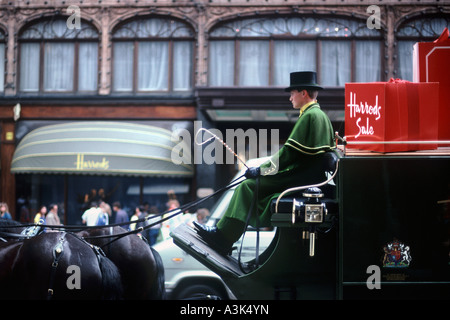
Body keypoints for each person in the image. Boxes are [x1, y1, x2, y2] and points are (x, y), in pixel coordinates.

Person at [194, 71, 337, 255]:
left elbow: (288, 154)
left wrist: (260, 171)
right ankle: (224, 235)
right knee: (247, 186)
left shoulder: (311, 116)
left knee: (246, 187)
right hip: (305, 177)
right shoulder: (319, 115)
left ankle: (223, 238)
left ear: (304, 93)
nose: (290, 98)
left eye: (292, 93)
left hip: (299, 179)